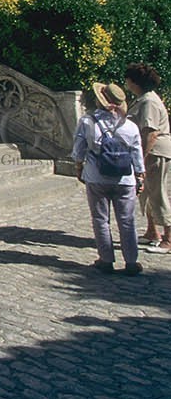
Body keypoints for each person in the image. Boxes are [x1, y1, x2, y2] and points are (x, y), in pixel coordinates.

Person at [72, 82, 145, 275]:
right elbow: (137, 154)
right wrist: (140, 175)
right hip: (125, 179)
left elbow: (79, 150)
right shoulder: (130, 126)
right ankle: (131, 261)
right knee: (127, 220)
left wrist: (79, 168)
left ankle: (106, 259)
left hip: (97, 176)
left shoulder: (88, 122)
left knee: (100, 219)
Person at [124, 63, 171, 253]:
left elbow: (150, 133)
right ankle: (153, 232)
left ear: (134, 81)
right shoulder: (143, 99)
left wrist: (140, 158)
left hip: (155, 152)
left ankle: (169, 237)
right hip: (151, 152)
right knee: (146, 192)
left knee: (157, 193)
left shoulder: (148, 102)